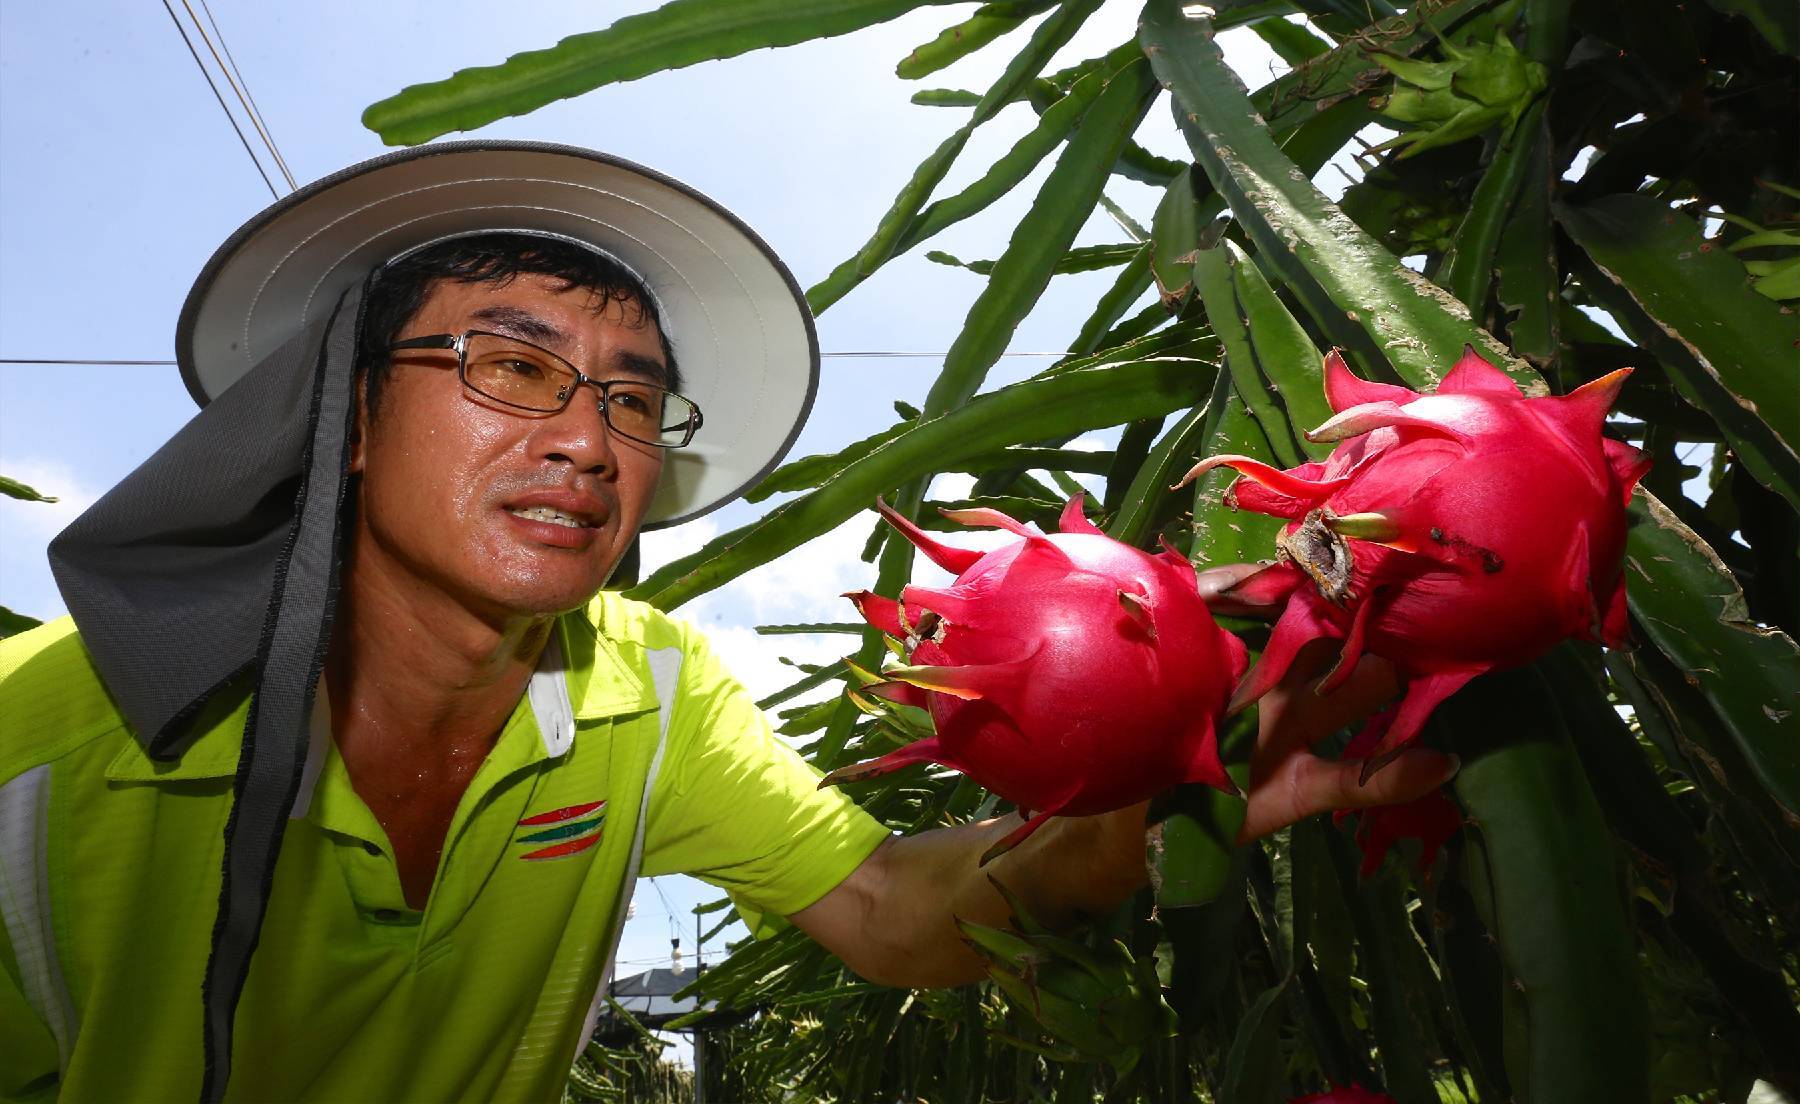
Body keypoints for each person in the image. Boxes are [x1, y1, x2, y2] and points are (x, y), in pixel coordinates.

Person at [0, 142, 1455, 1102]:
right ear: (347, 419)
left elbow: (891, 918)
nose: (587, 440)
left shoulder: (655, 693)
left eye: (632, 399)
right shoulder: (36, 731)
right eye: (510, 368)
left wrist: (1186, 801)